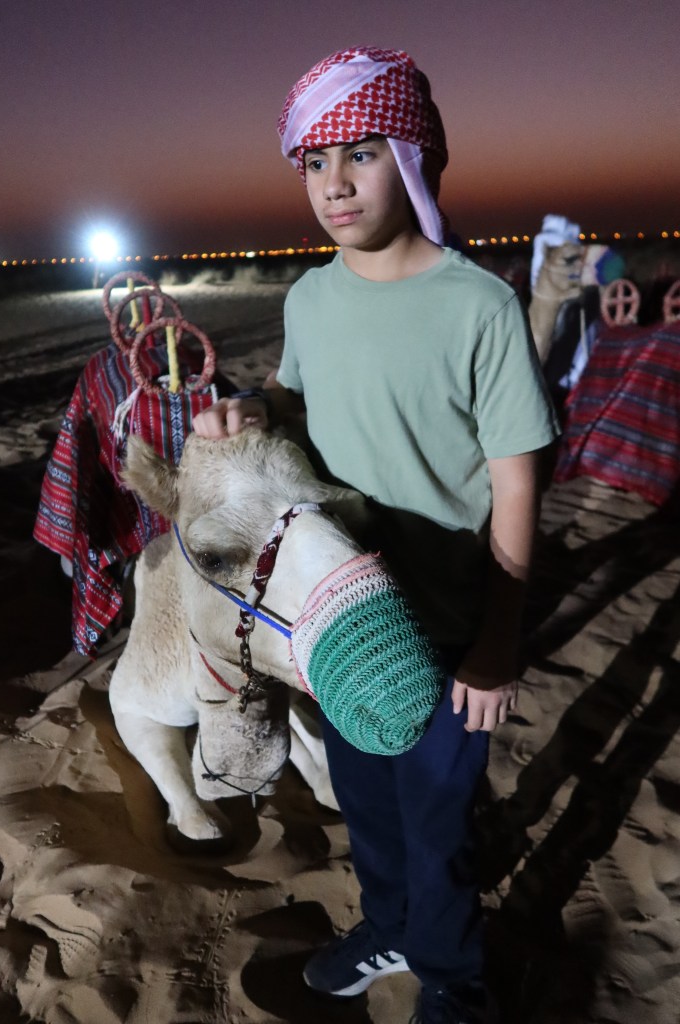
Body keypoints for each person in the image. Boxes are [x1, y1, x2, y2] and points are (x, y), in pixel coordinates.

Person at [193, 47, 559, 1024]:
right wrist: (249, 410)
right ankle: (391, 925)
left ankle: (453, 980)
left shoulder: (480, 305)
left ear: (415, 157)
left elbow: (518, 480)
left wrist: (497, 639)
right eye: (313, 161)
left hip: (447, 626)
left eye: (360, 153)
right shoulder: (310, 298)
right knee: (365, 802)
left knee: (439, 827)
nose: (335, 183)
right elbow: (297, 404)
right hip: (340, 621)